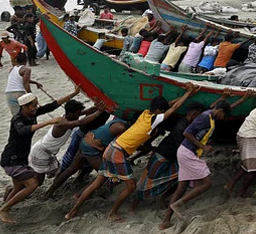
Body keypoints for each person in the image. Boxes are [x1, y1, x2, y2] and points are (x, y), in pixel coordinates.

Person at [66, 83, 198, 222]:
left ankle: (72, 212)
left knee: (97, 183)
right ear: (159, 111)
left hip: (111, 147)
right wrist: (188, 93)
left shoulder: (146, 113)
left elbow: (169, 106)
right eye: (162, 111)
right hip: (118, 152)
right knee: (131, 186)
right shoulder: (154, 120)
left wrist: (186, 95)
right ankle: (113, 213)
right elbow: (174, 108)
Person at [161, 89, 251, 229]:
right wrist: (203, 147)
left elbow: (225, 108)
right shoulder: (204, 117)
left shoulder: (211, 115)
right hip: (188, 153)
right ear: (219, 110)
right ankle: (180, 203)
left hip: (185, 152)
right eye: (223, 115)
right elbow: (187, 133)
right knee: (207, 183)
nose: (223, 118)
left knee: (181, 187)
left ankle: (166, 220)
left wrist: (242, 100)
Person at [0, 85, 80, 224]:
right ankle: (4, 209)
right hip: (11, 159)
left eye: (36, 105)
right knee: (33, 184)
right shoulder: (17, 119)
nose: (36, 107)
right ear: (24, 107)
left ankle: (5, 205)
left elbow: (52, 106)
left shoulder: (31, 113)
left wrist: (74, 93)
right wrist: (48, 122)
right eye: (33, 106)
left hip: (21, 158)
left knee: (18, 187)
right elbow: (23, 131)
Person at [132, 103, 205, 208]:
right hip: (162, 154)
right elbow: (180, 145)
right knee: (147, 181)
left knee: (181, 178)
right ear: (194, 114)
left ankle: (164, 197)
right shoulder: (181, 126)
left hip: (173, 156)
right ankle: (134, 205)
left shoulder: (188, 124)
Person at [44, 113, 123, 198]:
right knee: (105, 175)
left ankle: (49, 192)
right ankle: (79, 195)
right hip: (91, 144)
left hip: (87, 139)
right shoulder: (121, 126)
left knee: (72, 168)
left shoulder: (117, 117)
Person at [28, 101, 102, 183]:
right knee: (38, 181)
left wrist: (97, 107)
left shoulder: (68, 116)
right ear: (70, 113)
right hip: (42, 152)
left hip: (46, 151)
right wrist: (99, 112)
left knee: (36, 175)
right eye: (77, 113)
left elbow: (87, 111)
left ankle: (21, 187)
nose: (79, 115)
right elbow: (81, 122)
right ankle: (21, 189)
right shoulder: (63, 123)